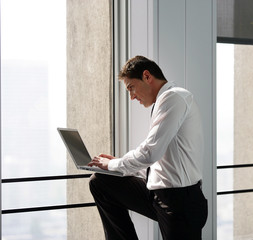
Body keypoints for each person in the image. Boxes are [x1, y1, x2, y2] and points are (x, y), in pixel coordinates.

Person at [88, 55, 208, 240]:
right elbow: (160, 161)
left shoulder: (174, 97)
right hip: (157, 195)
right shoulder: (163, 101)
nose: (132, 96)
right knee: (100, 182)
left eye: (131, 87)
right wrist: (119, 166)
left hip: (180, 202)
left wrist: (114, 165)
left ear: (147, 76)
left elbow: (150, 152)